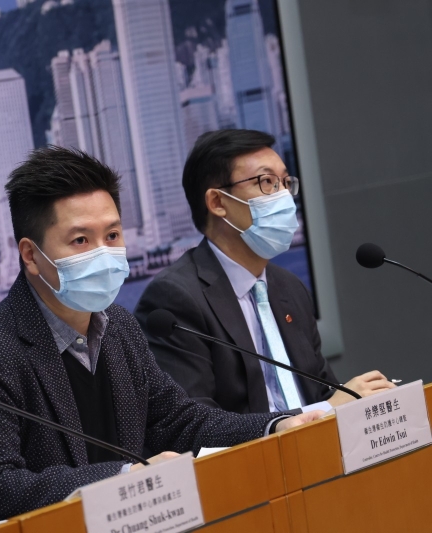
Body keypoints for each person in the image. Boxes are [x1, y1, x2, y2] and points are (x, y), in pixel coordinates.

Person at [0, 147, 323, 527]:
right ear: (30, 255)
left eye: (112, 235)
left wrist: (275, 426)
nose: (104, 254)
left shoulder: (119, 326)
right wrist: (124, 478)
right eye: (81, 241)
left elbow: (178, 422)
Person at [135, 129, 394, 415]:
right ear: (217, 202)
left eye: (285, 182)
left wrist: (359, 401)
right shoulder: (175, 298)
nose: (284, 195)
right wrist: (319, 411)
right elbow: (194, 423)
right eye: (266, 182)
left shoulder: (289, 287)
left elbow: (322, 392)